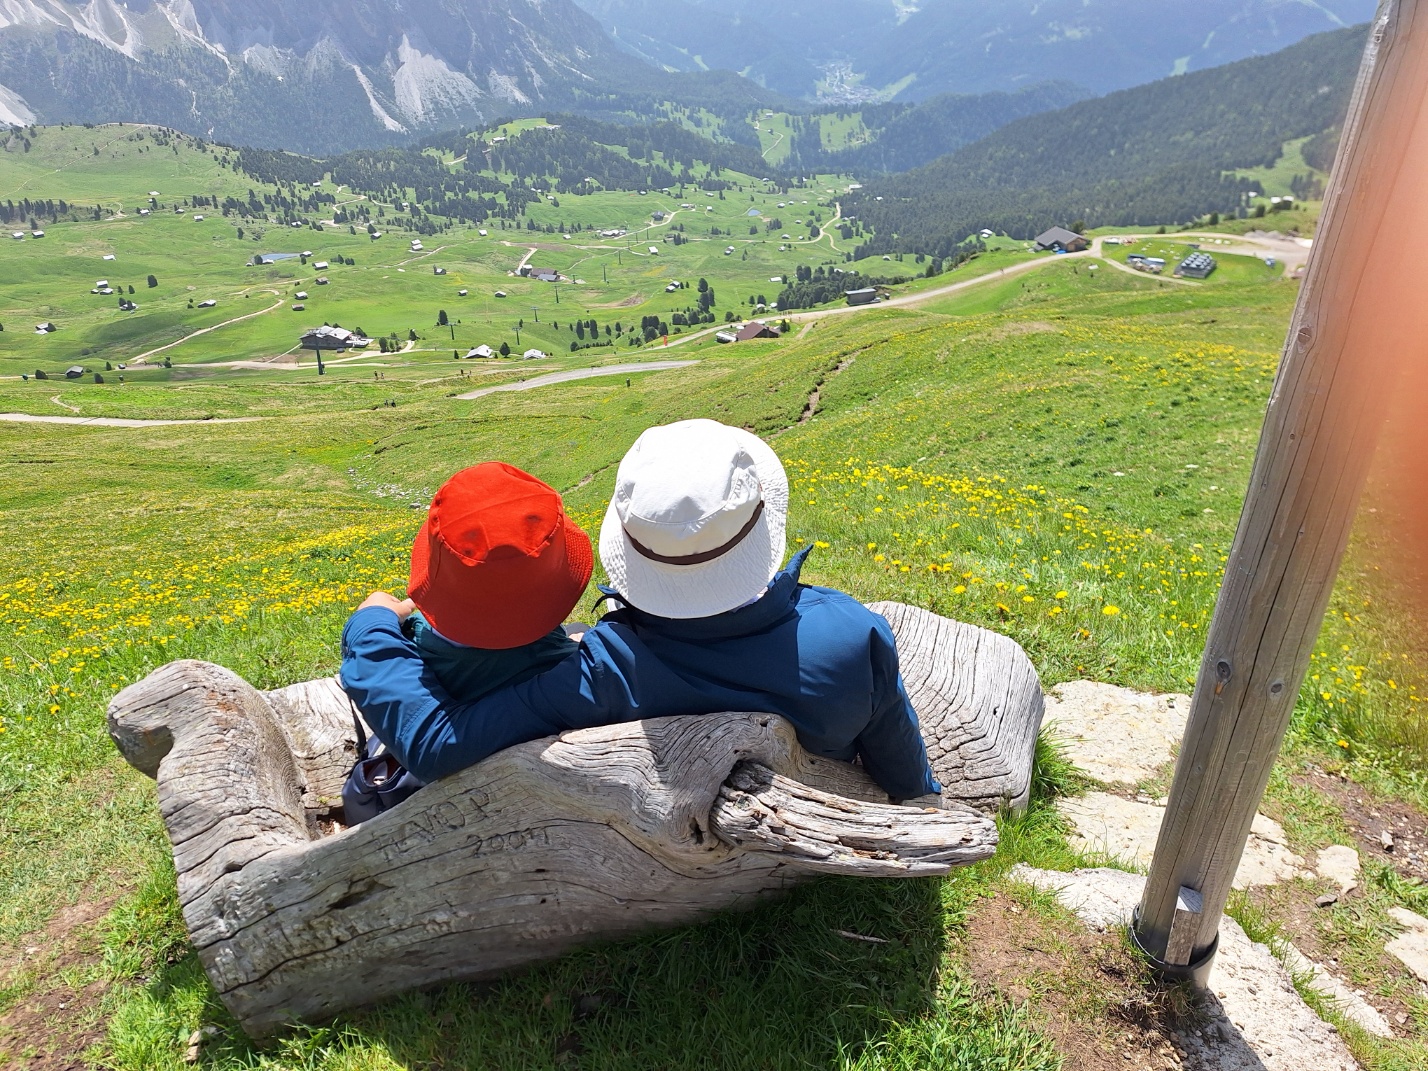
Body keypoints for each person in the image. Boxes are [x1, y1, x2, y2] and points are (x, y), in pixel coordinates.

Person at [341, 419, 941, 802]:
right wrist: (922, 803)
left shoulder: (601, 669)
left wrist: (371, 627)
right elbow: (895, 742)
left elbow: (440, 742)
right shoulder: (851, 635)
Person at [355, 461, 593, 705]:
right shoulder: (586, 675)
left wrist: (371, 619)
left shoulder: (404, 657)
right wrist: (574, 650)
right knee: (580, 627)